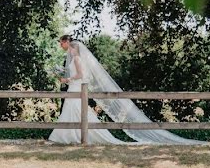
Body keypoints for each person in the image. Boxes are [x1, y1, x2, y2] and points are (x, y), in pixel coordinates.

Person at [48, 35, 201, 145]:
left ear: (70, 45)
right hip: (75, 87)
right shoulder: (76, 59)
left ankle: (72, 136)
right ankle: (69, 135)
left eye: (62, 43)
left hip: (76, 87)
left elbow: (81, 74)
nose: (62, 46)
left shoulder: (76, 58)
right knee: (73, 110)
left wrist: (67, 79)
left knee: (76, 109)